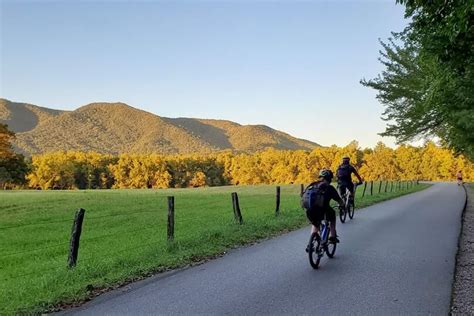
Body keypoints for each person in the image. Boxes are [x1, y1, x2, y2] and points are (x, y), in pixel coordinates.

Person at [303, 169, 345, 252]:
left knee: (315, 224)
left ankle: (310, 244)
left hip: (309, 210)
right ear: (329, 178)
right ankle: (332, 236)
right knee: (332, 215)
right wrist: (342, 206)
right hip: (323, 210)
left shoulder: (312, 185)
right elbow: (339, 200)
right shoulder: (329, 188)